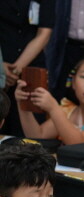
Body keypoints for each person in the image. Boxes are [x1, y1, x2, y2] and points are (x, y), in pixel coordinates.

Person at [15, 53, 84, 145]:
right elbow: (38, 137)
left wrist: (54, 108)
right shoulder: (68, 111)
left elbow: (80, 145)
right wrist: (23, 104)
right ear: (73, 82)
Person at [0, 0, 55, 137]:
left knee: (28, 131)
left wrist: (16, 69)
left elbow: (44, 33)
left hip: (32, 71)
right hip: (1, 62)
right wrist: (0, 66)